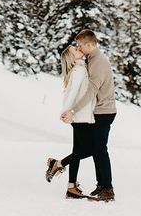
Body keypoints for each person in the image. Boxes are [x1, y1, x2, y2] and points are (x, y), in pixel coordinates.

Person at [62, 28, 117, 202]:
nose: (79, 48)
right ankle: (101, 185)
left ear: (89, 45)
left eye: (80, 45)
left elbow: (91, 91)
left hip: (103, 111)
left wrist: (73, 110)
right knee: (97, 150)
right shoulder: (91, 60)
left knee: (100, 150)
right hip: (98, 111)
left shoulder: (98, 62)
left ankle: (108, 189)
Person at [45, 44, 95, 199]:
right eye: (76, 50)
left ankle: (71, 187)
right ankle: (58, 164)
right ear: (71, 57)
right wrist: (66, 111)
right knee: (92, 149)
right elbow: (72, 93)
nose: (79, 50)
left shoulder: (80, 68)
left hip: (80, 116)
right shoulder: (79, 70)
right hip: (80, 117)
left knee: (77, 151)